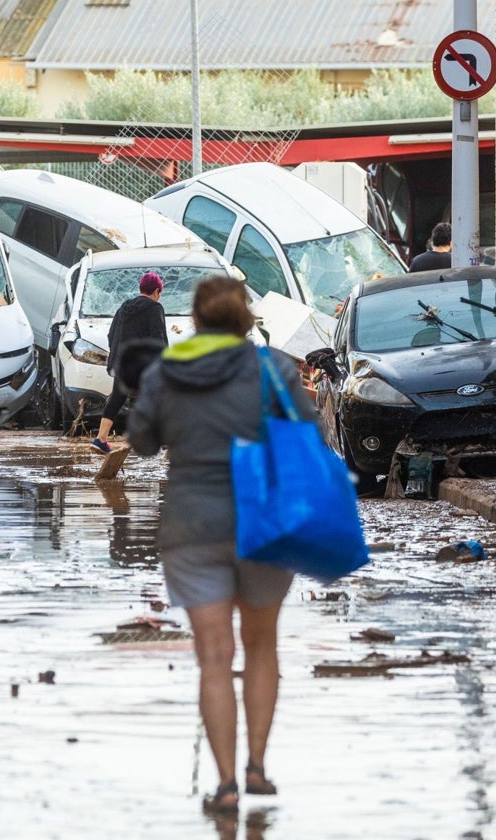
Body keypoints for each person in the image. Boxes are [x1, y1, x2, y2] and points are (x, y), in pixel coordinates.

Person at [125, 275, 316, 814]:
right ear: (245, 320)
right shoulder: (276, 371)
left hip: (193, 527)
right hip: (266, 524)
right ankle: (257, 767)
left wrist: (139, 388)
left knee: (214, 658)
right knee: (261, 645)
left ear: (198, 320)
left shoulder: (167, 373)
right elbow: (313, 436)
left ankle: (226, 784)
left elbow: (140, 443)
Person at [90, 271, 166, 454]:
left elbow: (111, 335)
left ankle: (100, 439)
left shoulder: (124, 308)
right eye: (159, 293)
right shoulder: (155, 309)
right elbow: (158, 339)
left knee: (117, 398)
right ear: (156, 291)